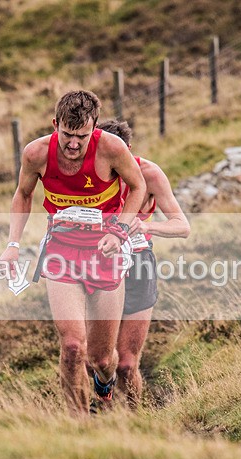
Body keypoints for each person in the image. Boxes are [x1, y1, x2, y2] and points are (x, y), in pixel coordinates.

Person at [0, 91, 147, 416]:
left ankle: (104, 384)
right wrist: (12, 245)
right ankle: (78, 423)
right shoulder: (36, 153)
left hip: (106, 253)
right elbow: (23, 194)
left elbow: (138, 187)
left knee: (102, 360)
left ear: (94, 129)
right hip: (62, 252)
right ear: (55, 125)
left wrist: (119, 231)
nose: (74, 144)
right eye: (67, 134)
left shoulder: (111, 148)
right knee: (73, 346)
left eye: (82, 136)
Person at [98, 119, 190, 409]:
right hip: (99, 265)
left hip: (138, 265)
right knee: (99, 360)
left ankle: (135, 418)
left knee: (127, 364)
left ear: (128, 150)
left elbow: (182, 226)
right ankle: (102, 406)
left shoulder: (149, 173)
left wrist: (148, 227)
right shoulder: (87, 175)